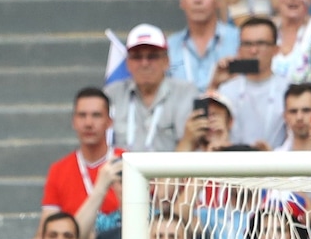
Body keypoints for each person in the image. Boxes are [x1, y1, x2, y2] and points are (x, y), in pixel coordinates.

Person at [105, 25, 194, 153]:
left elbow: (190, 142)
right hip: (122, 170)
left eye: (152, 56)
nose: (144, 63)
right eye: (137, 57)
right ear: (128, 63)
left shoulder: (185, 93)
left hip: (169, 170)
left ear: (166, 61)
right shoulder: (112, 94)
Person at [213, 16, 290, 149]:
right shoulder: (226, 90)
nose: (254, 51)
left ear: (276, 50)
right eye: (247, 44)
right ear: (239, 50)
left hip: (276, 165)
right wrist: (214, 85)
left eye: (261, 44)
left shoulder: (288, 90)